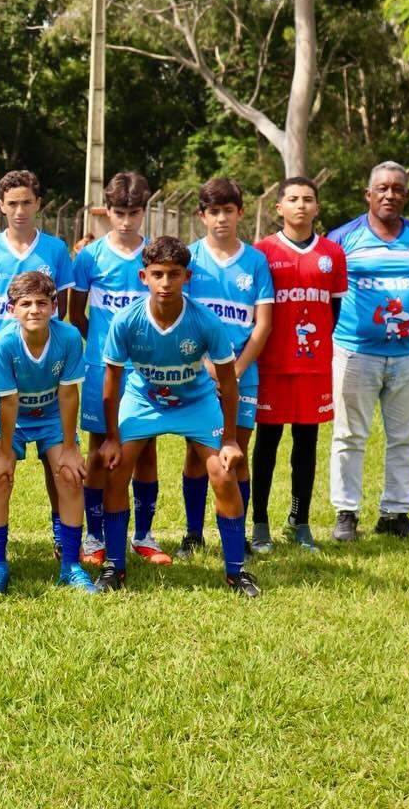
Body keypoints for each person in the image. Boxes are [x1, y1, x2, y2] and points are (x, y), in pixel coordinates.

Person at [99, 237, 259, 597]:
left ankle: (237, 571)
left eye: (174, 274)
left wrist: (231, 438)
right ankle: (114, 564)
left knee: (222, 470)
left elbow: (229, 384)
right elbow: (111, 380)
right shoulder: (126, 321)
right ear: (143, 276)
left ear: (187, 276)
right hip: (144, 400)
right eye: (157, 274)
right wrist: (111, 437)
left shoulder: (205, 321)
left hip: (197, 401)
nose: (166, 283)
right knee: (117, 466)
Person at [326, 161, 409, 543]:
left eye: (397, 189)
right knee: (350, 434)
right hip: (355, 354)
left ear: (406, 195)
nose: (390, 194)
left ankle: (395, 512)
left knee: (404, 436)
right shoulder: (342, 239)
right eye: (382, 189)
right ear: (368, 195)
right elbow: (331, 297)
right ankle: (346, 512)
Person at [0, 169, 75, 565]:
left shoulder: (55, 249)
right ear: (1, 206)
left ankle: (61, 533)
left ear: (38, 204)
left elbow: (63, 305)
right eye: (11, 203)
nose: (19, 210)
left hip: (46, 366)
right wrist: (1, 344)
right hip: (2, 364)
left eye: (26, 202)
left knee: (57, 455)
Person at [177, 178, 275, 560]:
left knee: (237, 452)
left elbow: (263, 324)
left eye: (228, 211)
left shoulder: (255, 261)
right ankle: (192, 533)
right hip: (198, 372)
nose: (221, 219)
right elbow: (183, 317)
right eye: (213, 212)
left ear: (240, 213)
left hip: (242, 371)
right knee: (198, 451)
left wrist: (234, 370)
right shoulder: (190, 258)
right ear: (202, 216)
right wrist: (207, 366)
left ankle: (237, 535)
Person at [0, 272, 94, 595]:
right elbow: (8, 401)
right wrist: (3, 454)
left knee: (71, 474)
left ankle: (71, 564)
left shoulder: (70, 338)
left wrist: (71, 447)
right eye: (26, 304)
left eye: (42, 303)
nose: (34, 310)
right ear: (12, 309)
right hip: (10, 418)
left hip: (51, 415)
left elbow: (69, 394)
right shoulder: (4, 343)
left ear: (54, 306)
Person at [251, 177, 347, 553]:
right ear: (279, 208)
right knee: (268, 444)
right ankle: (260, 523)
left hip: (313, 367)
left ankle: (299, 520)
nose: (301, 205)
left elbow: (333, 311)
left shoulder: (332, 254)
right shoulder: (262, 253)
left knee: (306, 444)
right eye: (293, 199)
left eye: (308, 199)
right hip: (272, 365)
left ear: (317, 207)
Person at [69, 171, 160, 568]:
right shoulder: (89, 257)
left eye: (134, 212)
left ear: (145, 212)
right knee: (98, 448)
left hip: (148, 369)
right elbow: (77, 314)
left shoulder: (155, 255)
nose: (126, 221)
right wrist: (105, 351)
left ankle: (144, 534)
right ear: (107, 212)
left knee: (146, 448)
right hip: (101, 368)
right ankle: (94, 534)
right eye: (119, 213)